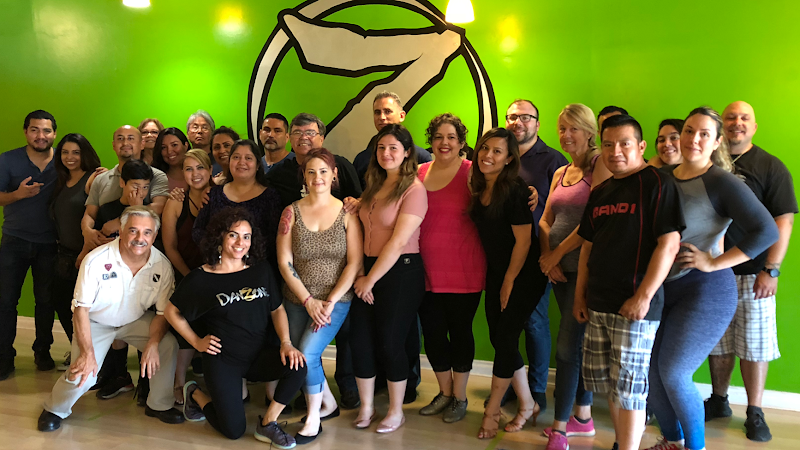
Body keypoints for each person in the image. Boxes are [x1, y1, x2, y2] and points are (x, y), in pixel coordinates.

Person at [644, 107, 778, 450]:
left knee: (674, 373)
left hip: (706, 290)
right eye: (689, 131)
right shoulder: (662, 177)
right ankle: (672, 441)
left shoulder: (722, 181)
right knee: (651, 374)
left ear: (717, 142)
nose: (694, 139)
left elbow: (766, 230)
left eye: (704, 134)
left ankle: (696, 446)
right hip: (663, 289)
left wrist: (714, 262)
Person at [574, 114, 685, 450]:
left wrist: (643, 297)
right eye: (608, 144)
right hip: (599, 303)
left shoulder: (658, 184)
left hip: (635, 306)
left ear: (641, 146)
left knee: (632, 389)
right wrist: (580, 296)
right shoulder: (601, 191)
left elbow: (669, 244)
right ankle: (623, 444)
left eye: (624, 143)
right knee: (611, 385)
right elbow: (587, 247)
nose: (615, 151)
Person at [166, 207, 306, 447]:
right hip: (224, 360)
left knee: (297, 365)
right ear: (220, 237)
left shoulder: (261, 270)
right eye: (233, 235)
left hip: (257, 355)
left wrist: (286, 343)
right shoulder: (202, 278)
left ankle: (268, 423)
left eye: (246, 236)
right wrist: (196, 342)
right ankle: (195, 393)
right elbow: (172, 311)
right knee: (233, 431)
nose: (241, 243)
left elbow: (277, 309)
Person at [37, 206, 183, 431]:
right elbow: (80, 310)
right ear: (121, 232)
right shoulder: (95, 260)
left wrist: (153, 343)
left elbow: (162, 313)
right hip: (95, 322)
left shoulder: (162, 265)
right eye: (133, 231)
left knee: (166, 344)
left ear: (154, 236)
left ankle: (159, 405)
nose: (140, 238)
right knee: (85, 371)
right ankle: (55, 408)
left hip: (134, 321)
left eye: (147, 232)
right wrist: (87, 353)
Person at [705, 101, 798, 442]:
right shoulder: (708, 162)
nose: (737, 122)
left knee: (754, 345)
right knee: (718, 342)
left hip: (753, 272)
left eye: (744, 118)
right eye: (730, 117)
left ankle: (755, 411)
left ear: (754, 127)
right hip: (712, 271)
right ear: (722, 126)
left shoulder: (770, 166)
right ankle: (719, 400)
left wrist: (771, 269)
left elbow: (783, 221)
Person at [267, 113, 363, 409]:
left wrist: (330, 301)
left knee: (313, 351)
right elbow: (285, 261)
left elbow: (354, 261)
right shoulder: (289, 209)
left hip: (336, 297)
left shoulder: (347, 210)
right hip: (298, 296)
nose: (317, 177)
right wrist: (308, 301)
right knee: (300, 353)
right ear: (304, 177)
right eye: (311, 172)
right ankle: (326, 403)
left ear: (334, 175)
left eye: (323, 172)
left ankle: (319, 409)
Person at [538, 104, 611, 450]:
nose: (566, 135)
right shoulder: (561, 171)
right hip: (558, 271)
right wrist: (547, 257)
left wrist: (555, 254)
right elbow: (545, 219)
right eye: (562, 129)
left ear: (589, 131)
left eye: (574, 129)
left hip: (586, 271)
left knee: (567, 348)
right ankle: (582, 416)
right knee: (576, 344)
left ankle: (560, 429)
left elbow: (593, 221)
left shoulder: (600, 165)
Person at [469, 127, 548, 439]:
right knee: (499, 338)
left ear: (509, 159)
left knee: (505, 338)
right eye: (485, 148)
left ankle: (492, 410)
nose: (488, 155)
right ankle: (527, 404)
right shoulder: (479, 188)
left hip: (524, 274)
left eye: (497, 151)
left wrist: (509, 281)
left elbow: (524, 242)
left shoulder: (516, 190)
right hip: (498, 272)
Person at [351, 124, 428, 433]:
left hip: (401, 272)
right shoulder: (373, 184)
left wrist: (369, 280)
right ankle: (367, 407)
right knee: (360, 341)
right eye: (381, 148)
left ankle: (396, 411)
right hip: (368, 269)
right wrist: (362, 273)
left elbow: (397, 242)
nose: (386, 153)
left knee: (391, 342)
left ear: (407, 152)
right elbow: (362, 228)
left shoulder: (413, 189)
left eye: (393, 147)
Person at [416, 113, 486, 424]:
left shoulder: (473, 173)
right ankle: (444, 393)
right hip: (425, 271)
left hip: (464, 270)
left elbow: (501, 198)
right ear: (431, 141)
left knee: (460, 334)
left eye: (451, 137)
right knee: (432, 335)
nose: (444, 143)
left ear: (461, 142)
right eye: (438, 137)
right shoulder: (418, 173)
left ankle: (460, 396)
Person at [506, 99, 568, 409]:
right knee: (507, 322)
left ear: (537, 124)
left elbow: (563, 211)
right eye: (512, 117)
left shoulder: (553, 160)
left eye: (525, 117)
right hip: (503, 252)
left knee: (534, 320)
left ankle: (537, 387)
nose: (517, 122)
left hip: (537, 253)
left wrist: (537, 198)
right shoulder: (501, 155)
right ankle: (510, 383)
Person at [0, 110, 59, 379]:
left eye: (46, 130)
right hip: (14, 240)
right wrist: (18, 194)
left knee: (45, 301)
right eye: (35, 130)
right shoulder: (8, 160)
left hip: (50, 243)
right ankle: (4, 357)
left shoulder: (63, 161)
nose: (40, 135)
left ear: (54, 133)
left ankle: (42, 351)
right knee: (6, 301)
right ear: (26, 132)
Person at [49, 133, 104, 370]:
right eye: (65, 152)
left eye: (76, 152)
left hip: (86, 256)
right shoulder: (61, 180)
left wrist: (85, 251)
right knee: (62, 303)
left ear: (85, 154)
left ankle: (91, 357)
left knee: (85, 309)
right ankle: (79, 350)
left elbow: (99, 217)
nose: (70, 157)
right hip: (63, 254)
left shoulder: (93, 179)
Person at [162, 149, 212, 403]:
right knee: (184, 321)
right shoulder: (176, 201)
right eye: (189, 169)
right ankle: (179, 382)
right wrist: (190, 277)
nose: (195, 174)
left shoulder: (219, 197)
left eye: (200, 168)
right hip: (185, 274)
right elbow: (170, 246)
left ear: (210, 170)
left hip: (215, 275)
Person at [193, 140, 281, 271]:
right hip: (218, 268)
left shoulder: (271, 197)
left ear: (258, 165)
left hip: (256, 270)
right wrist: (219, 250)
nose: (241, 162)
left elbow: (274, 239)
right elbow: (198, 230)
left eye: (248, 158)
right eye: (236, 157)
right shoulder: (213, 194)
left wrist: (241, 254)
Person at [352, 92, 432, 189]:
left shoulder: (421, 158)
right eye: (377, 112)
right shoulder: (362, 159)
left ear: (401, 116)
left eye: (387, 111)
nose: (382, 117)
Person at [152, 128, 190, 192]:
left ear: (186, 146)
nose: (169, 151)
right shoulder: (154, 177)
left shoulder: (199, 172)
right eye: (164, 147)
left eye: (174, 145)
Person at [187, 110, 221, 174]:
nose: (200, 131)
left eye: (205, 128)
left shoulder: (220, 160)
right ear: (187, 134)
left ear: (212, 134)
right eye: (195, 127)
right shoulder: (183, 161)